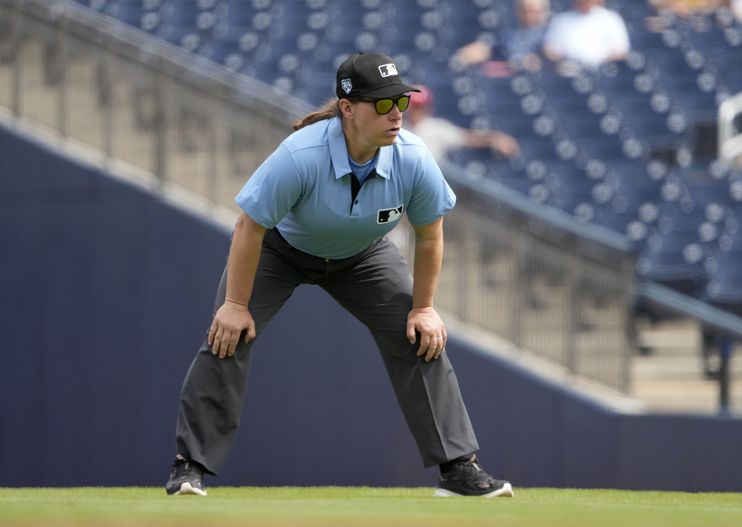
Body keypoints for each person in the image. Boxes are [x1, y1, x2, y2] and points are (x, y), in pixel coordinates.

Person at [165, 52, 514, 498]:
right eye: (383, 104)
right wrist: (235, 305)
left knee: (421, 337)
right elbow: (249, 226)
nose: (396, 115)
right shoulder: (301, 154)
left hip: (363, 256)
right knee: (227, 335)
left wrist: (424, 308)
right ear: (348, 108)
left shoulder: (412, 156)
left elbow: (430, 235)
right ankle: (189, 466)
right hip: (281, 251)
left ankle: (458, 469)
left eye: (401, 103)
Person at [405, 84, 521, 163]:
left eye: (419, 106)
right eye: (413, 105)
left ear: (427, 107)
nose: (415, 110)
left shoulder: (436, 128)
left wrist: (494, 138)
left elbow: (467, 138)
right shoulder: (396, 127)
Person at [451, 0, 550, 72]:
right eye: (525, 10)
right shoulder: (509, 35)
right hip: (508, 79)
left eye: (534, 11)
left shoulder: (552, 35)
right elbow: (486, 48)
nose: (529, 14)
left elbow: (552, 57)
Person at [543, 0, 631, 69]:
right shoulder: (561, 20)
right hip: (568, 71)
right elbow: (549, 49)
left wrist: (598, 65)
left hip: (603, 72)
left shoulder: (610, 19)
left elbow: (621, 52)